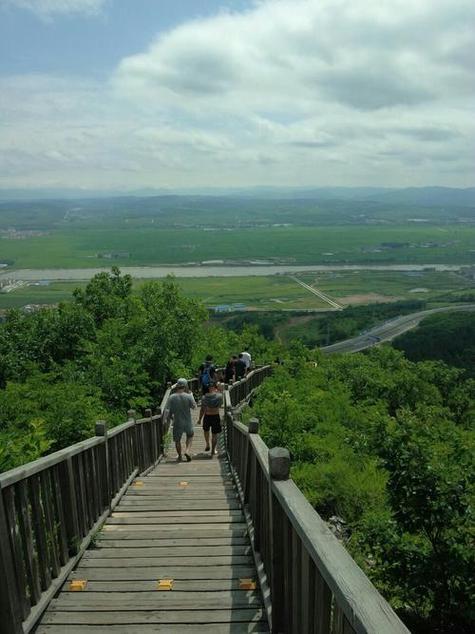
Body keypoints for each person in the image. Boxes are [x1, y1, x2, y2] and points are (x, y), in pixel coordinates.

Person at [166, 378, 196, 462]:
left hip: (177, 421)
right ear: (185, 386)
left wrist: (165, 420)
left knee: (177, 440)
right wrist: (191, 395)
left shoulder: (172, 397)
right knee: (190, 435)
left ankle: (179, 456)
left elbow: (167, 411)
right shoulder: (188, 396)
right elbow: (194, 407)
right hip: (187, 421)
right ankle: (187, 451)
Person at [198, 381, 223, 457]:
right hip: (215, 415)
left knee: (206, 430)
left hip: (207, 415)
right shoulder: (219, 396)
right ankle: (213, 450)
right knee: (214, 434)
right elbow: (220, 405)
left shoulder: (204, 397)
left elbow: (202, 409)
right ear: (215, 388)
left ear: (208, 388)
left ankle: (207, 444)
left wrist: (199, 419)